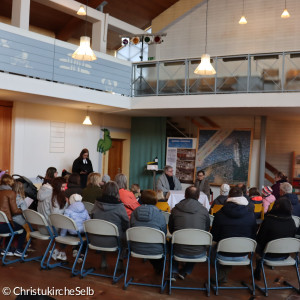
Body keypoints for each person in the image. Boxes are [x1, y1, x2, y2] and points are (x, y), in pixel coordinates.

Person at [210, 186, 256, 283]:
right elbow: (253, 235)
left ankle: (220, 274)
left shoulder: (219, 215)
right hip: (244, 254)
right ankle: (222, 274)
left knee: (212, 247)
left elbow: (215, 236)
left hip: (223, 253)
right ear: (242, 196)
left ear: (228, 197)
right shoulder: (251, 215)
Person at [168, 186, 210, 280]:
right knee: (198, 243)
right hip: (198, 252)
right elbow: (206, 230)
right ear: (199, 196)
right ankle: (186, 270)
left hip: (178, 249)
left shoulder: (175, 209)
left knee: (171, 242)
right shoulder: (204, 211)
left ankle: (173, 271)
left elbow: (171, 230)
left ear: (185, 195)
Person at [254, 197, 296, 280]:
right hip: (285, 254)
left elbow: (260, 239)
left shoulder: (269, 220)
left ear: (276, 206)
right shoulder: (291, 221)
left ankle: (258, 269)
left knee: (255, 243)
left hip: (267, 255)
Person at [91, 181, 129, 269]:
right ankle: (119, 260)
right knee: (126, 234)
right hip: (114, 241)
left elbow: (92, 218)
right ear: (117, 191)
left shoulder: (96, 203)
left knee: (103, 230)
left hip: (95, 239)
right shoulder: (119, 206)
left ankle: (103, 259)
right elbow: (126, 224)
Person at [130, 190, 167, 274]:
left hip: (136, 247)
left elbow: (131, 228)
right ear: (155, 200)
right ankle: (160, 268)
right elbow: (163, 234)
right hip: (155, 249)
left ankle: (158, 267)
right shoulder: (159, 214)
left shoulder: (134, 212)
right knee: (165, 246)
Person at [0, 174, 27, 257]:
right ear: (10, 182)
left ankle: (6, 249)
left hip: (2, 224)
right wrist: (23, 211)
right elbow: (15, 211)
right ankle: (19, 250)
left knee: (12, 227)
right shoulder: (11, 193)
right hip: (4, 225)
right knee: (23, 231)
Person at [59, 194, 90, 262]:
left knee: (66, 232)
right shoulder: (85, 210)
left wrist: (62, 236)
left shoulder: (68, 210)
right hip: (82, 233)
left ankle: (68, 250)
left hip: (71, 233)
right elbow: (88, 221)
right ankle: (81, 255)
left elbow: (65, 224)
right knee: (85, 240)